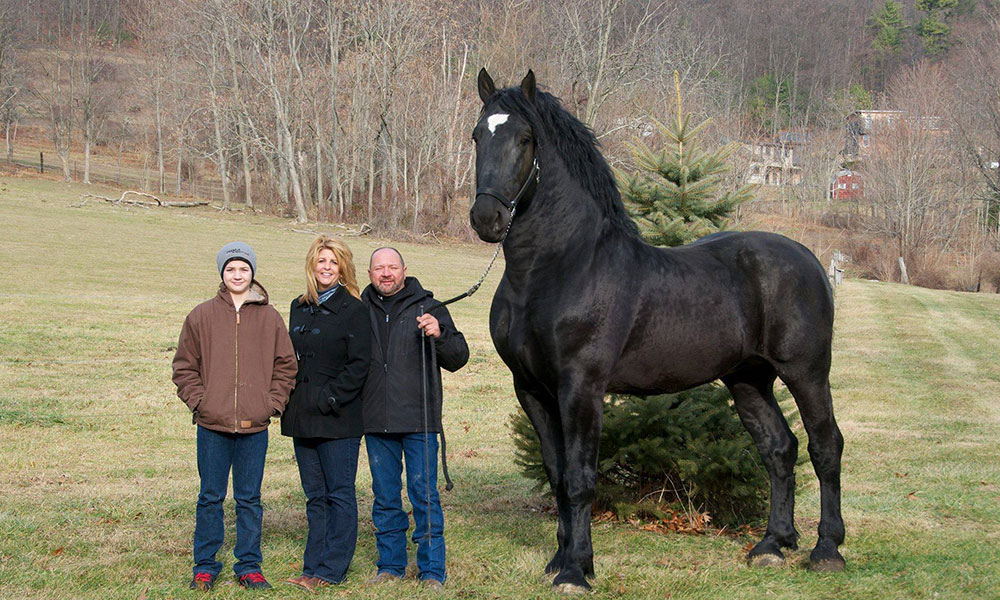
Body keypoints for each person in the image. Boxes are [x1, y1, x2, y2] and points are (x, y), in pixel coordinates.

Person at [172, 241, 297, 591]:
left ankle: (249, 565)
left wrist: (271, 404)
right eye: (231, 269)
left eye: (243, 269)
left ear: (252, 273)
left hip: (255, 426)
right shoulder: (201, 315)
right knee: (210, 496)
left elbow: (286, 366)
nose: (237, 275)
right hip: (212, 425)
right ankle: (205, 565)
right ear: (222, 274)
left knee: (249, 498)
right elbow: (184, 367)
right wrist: (201, 402)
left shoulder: (270, 318)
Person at [361, 247, 469, 590]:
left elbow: (459, 357)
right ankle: (391, 565)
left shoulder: (430, 307)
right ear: (370, 274)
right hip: (376, 421)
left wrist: (440, 334)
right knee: (385, 497)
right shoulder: (358, 309)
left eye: (392, 267)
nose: (386, 273)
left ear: (405, 270)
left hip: (420, 421)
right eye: (379, 268)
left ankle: (432, 570)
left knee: (424, 495)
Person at [282, 236, 371, 592]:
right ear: (312, 265)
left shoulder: (354, 309)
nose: (326, 268)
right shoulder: (298, 306)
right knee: (314, 495)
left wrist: (330, 398)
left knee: (339, 494)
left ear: (343, 268)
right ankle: (311, 566)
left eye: (333, 262)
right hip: (301, 416)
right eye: (321, 261)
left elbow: (359, 364)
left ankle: (332, 569)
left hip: (338, 417)